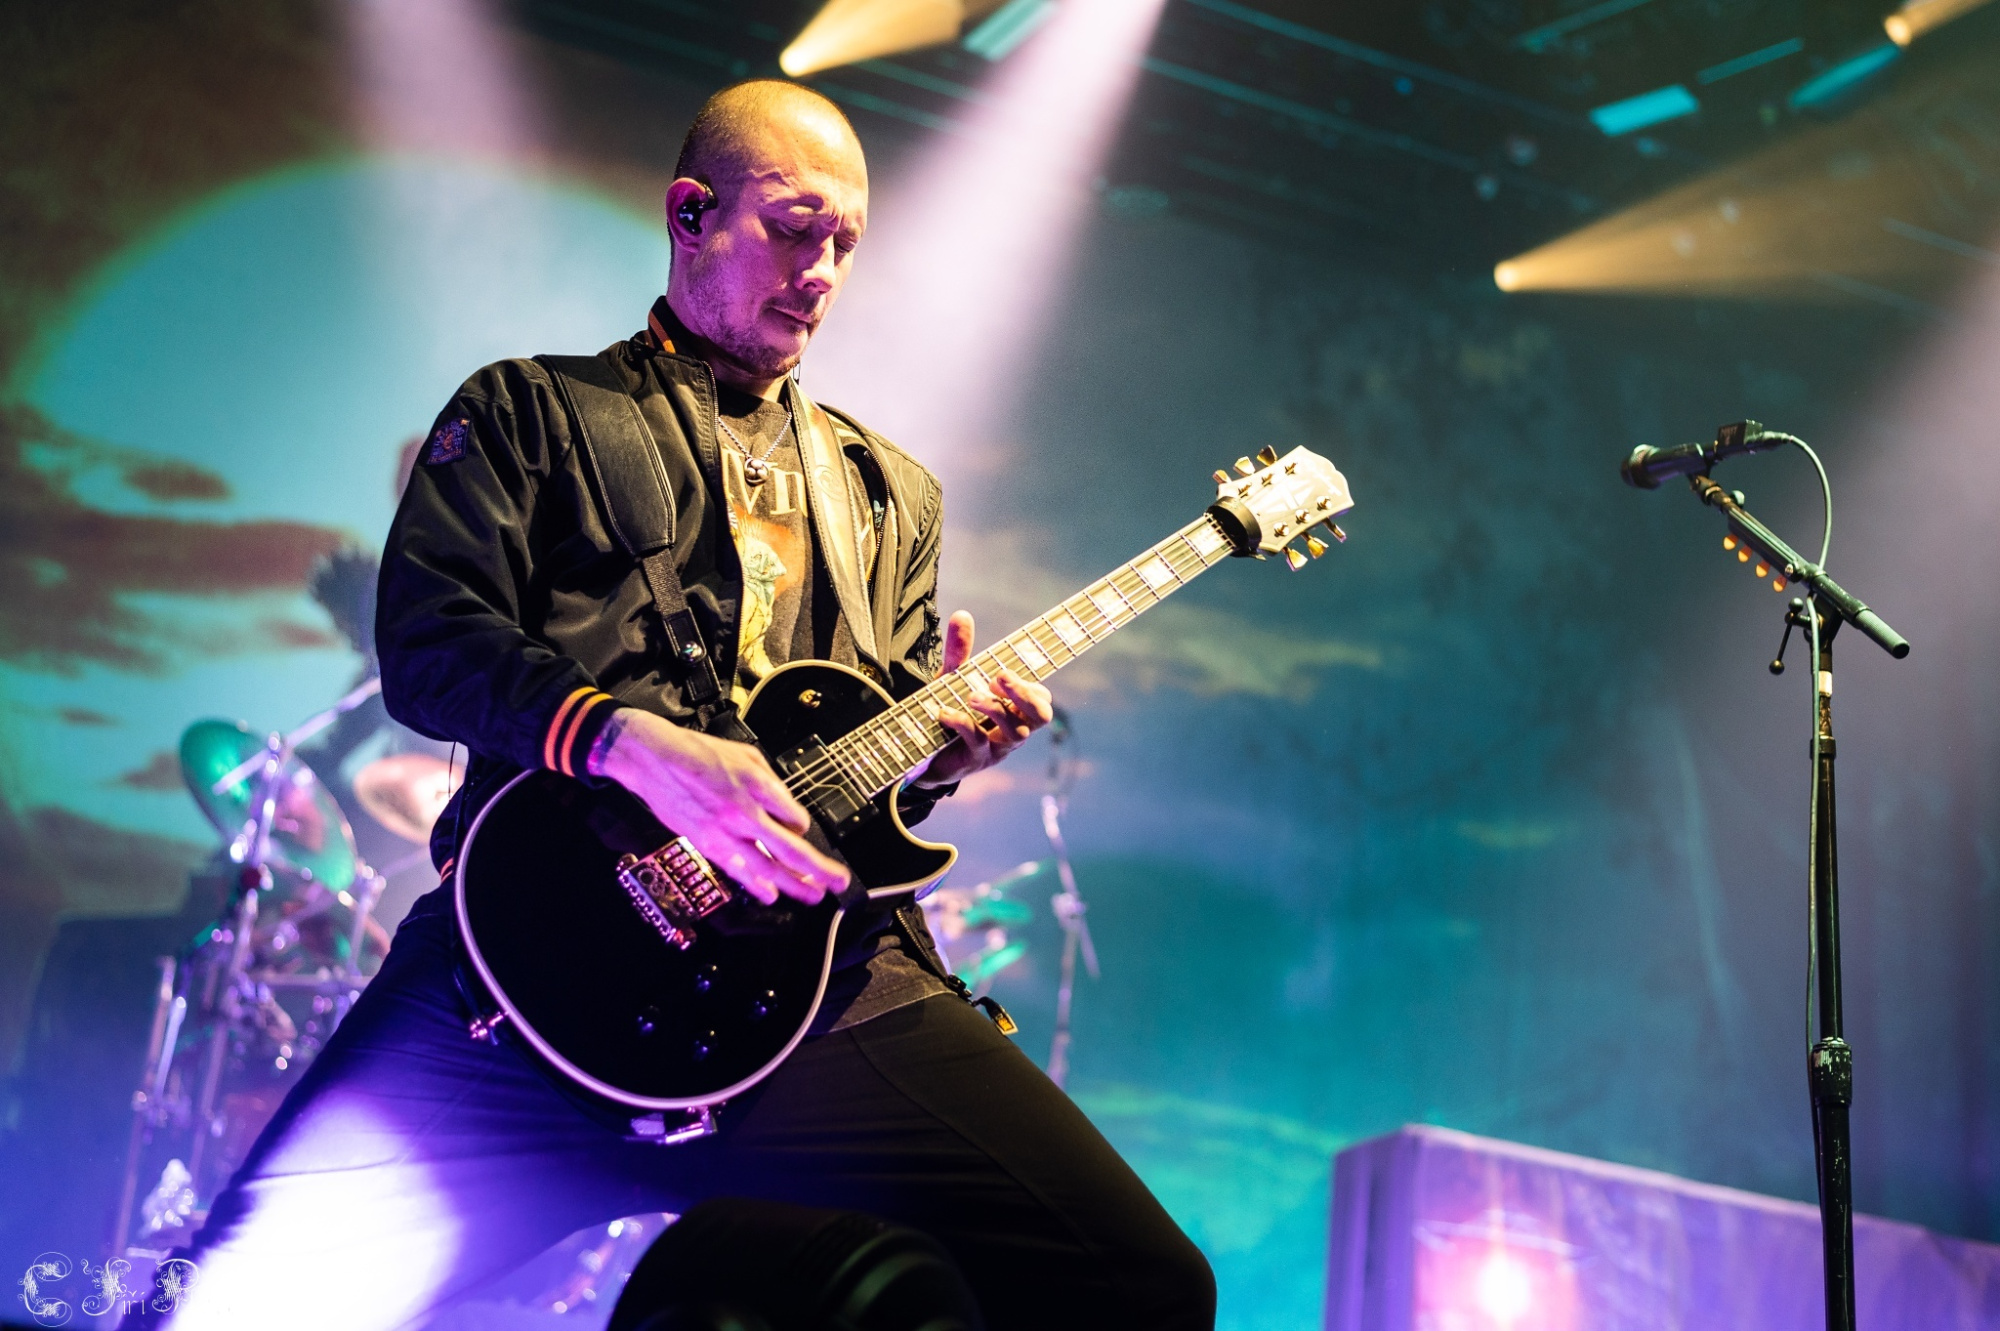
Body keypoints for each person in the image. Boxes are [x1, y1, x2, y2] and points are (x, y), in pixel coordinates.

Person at [132, 81, 1214, 1330]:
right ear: (691, 213)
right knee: (214, 1304)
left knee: (1139, 1283)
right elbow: (429, 644)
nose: (821, 271)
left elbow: (865, 774)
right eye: (793, 229)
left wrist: (937, 757)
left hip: (816, 987)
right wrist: (622, 739)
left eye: (845, 243)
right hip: (525, 974)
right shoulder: (530, 412)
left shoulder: (889, 493)